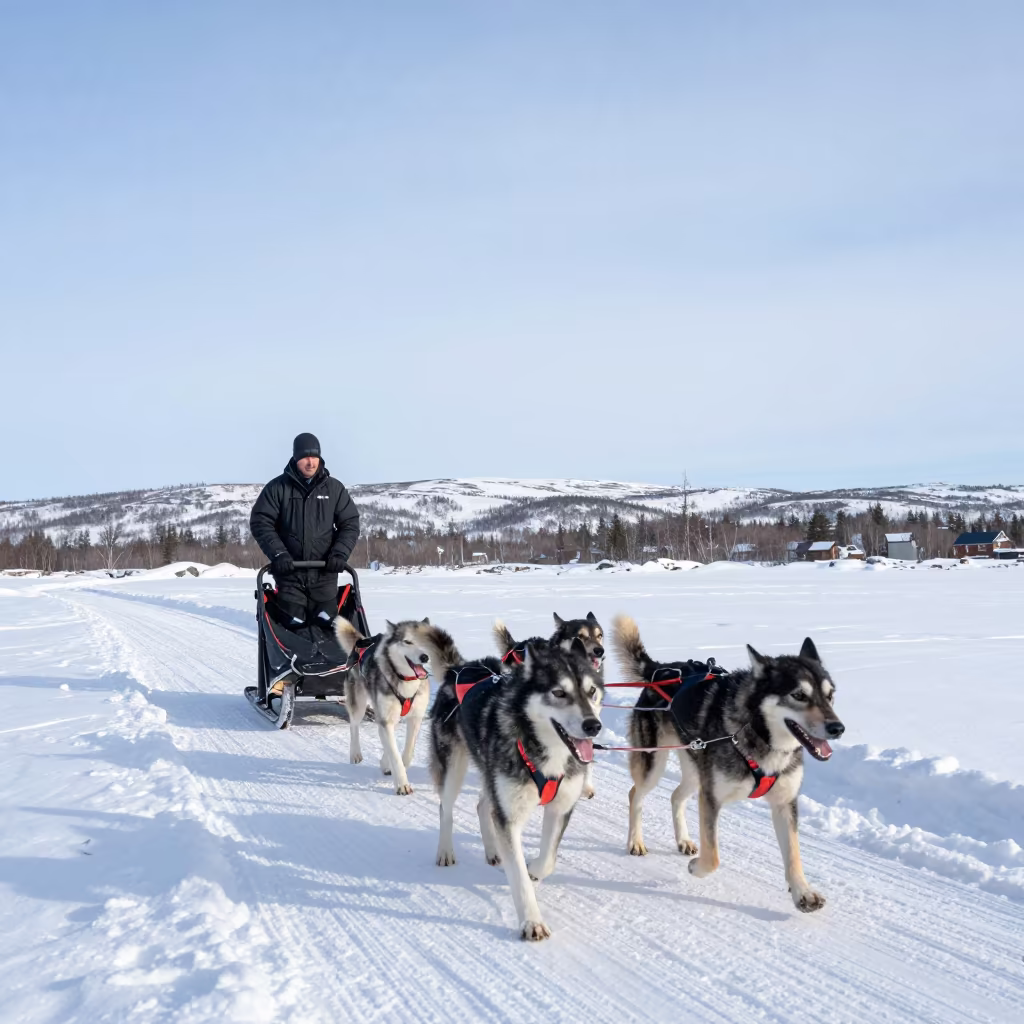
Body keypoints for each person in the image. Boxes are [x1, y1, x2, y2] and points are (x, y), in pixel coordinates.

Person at [249, 432, 360, 627]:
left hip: (324, 577)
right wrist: (279, 554)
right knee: (294, 628)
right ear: (295, 458)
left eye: (314, 456)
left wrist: (339, 554)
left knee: (329, 630)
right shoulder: (277, 488)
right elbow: (261, 522)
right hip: (290, 577)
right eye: (304, 457)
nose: (310, 462)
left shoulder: (334, 489)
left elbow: (350, 523)